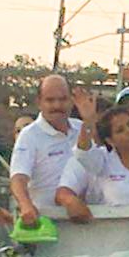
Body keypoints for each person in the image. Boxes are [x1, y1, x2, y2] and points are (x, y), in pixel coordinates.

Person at [10, 75, 83, 228]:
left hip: (87, 219)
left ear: (71, 100)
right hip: (47, 223)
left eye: (63, 99)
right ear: (39, 102)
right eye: (50, 100)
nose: (57, 105)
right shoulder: (29, 135)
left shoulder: (82, 129)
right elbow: (18, 178)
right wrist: (25, 205)